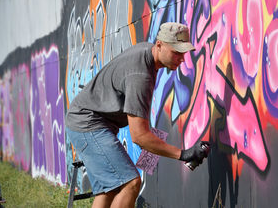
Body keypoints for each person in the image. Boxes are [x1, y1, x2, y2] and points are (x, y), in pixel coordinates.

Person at [65, 22, 210, 208]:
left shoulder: (147, 55)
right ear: (159, 45)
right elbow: (139, 136)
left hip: (88, 121)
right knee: (131, 184)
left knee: (109, 189)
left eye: (183, 52)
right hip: (88, 124)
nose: (181, 58)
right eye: (176, 52)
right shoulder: (140, 74)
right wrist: (183, 154)